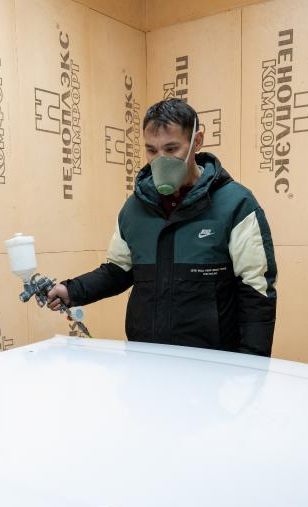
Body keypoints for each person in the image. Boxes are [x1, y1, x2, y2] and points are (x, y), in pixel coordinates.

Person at [46, 99, 277, 356]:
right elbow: (117, 271)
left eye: (171, 148)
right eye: (152, 150)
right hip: (145, 358)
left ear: (197, 141)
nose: (160, 160)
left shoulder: (235, 204)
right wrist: (71, 291)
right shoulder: (134, 209)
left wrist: (252, 365)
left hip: (212, 365)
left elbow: (256, 290)